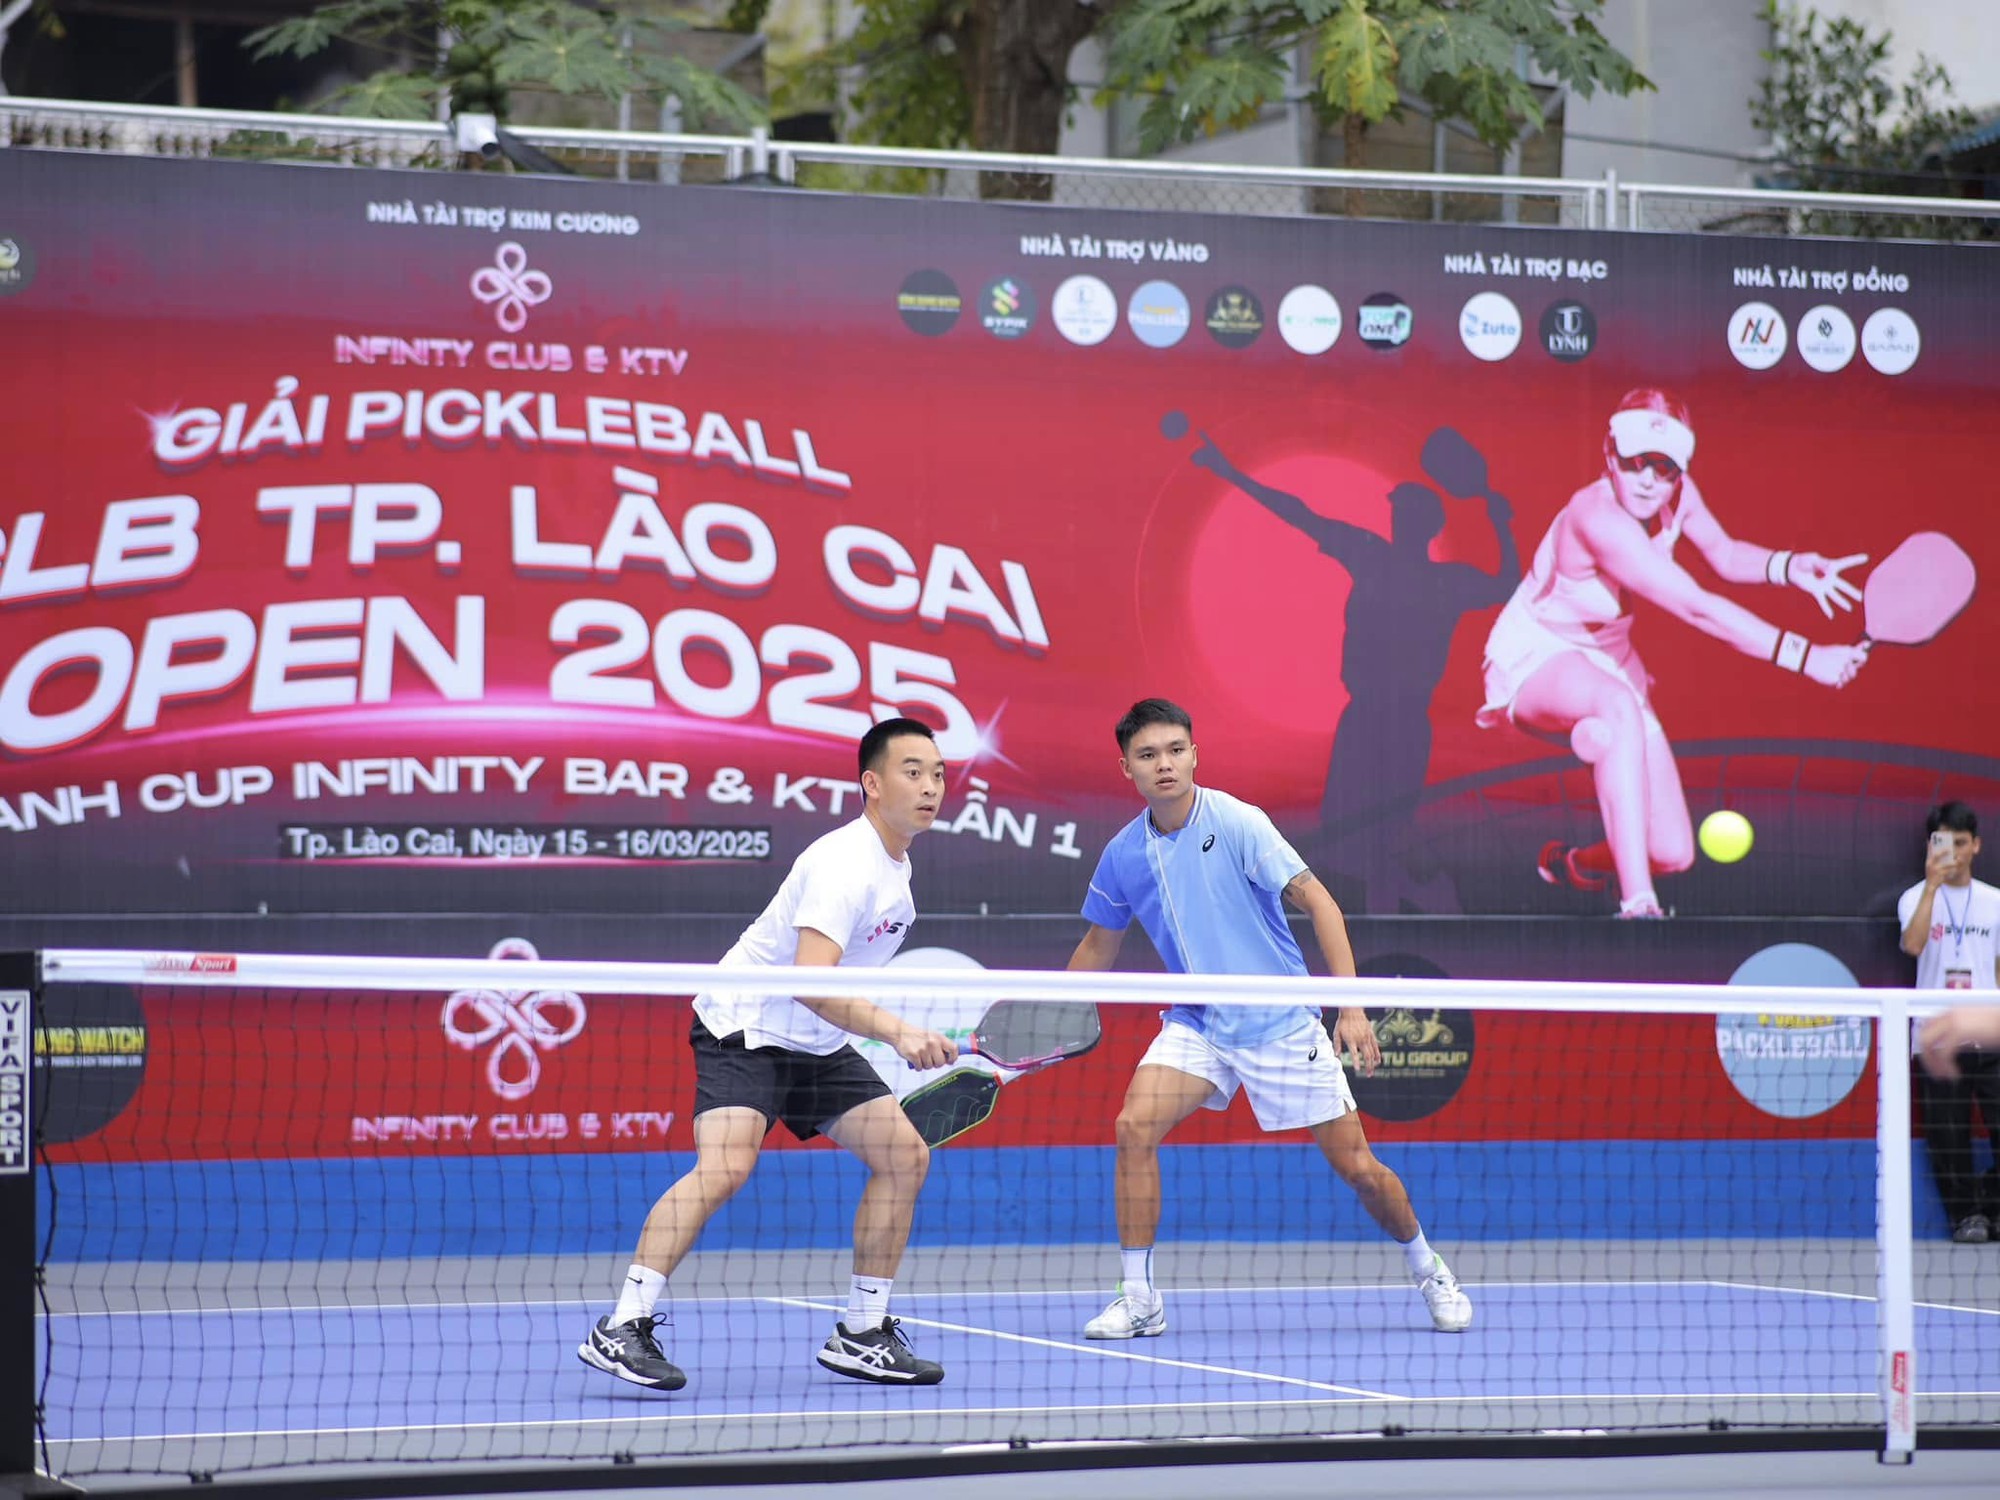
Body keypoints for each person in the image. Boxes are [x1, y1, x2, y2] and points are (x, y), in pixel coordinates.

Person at [1065, 697, 1473, 1337]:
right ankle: (1140, 1299)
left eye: (1175, 750)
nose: (1164, 764)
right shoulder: (1123, 854)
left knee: (1359, 1171)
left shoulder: (1236, 822)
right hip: (1199, 1023)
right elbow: (1098, 944)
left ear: (1195, 753)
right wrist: (1047, 1010)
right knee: (1132, 1127)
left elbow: (1320, 902)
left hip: (1278, 1024)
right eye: (1148, 755)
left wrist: (1351, 1007)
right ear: (1127, 768)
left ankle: (1429, 1269)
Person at [577, 718, 956, 1389]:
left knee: (903, 1157)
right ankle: (621, 1327)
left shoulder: (898, 866)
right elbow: (808, 979)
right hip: (747, 1025)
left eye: (937, 773)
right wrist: (899, 1033)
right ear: (871, 784)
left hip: (815, 1042)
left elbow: (824, 993)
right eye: (912, 771)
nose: (930, 786)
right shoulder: (844, 864)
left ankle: (862, 1333)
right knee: (725, 1167)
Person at [1476, 388, 1870, 917]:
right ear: (1609, 457)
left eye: (1663, 469)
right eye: (1636, 462)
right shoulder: (1595, 517)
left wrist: (1789, 565)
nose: (1648, 480)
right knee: (1613, 706)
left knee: (1673, 852)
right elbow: (1698, 608)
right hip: (1539, 653)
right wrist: (1806, 656)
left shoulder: (1677, 495)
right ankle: (1639, 907)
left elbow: (1726, 555)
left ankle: (1576, 861)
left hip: (1611, 659)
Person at [1190, 429, 1520, 914]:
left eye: (1406, 512)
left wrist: (1501, 524)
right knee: (1350, 833)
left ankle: (1409, 906)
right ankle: (1378, 917)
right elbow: (1300, 514)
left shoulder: (1441, 580)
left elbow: (1508, 586)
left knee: (1388, 832)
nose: (1397, 518)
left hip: (1406, 721)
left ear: (1423, 524)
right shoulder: (1374, 556)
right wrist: (1230, 472)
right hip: (1366, 716)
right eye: (1396, 510)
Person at [1898, 802, 2000, 1244]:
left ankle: (1994, 1209)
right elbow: (1914, 945)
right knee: (1949, 1135)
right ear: (1931, 846)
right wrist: (1932, 888)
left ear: (1976, 845)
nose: (1954, 851)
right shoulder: (1914, 897)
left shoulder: (1995, 901)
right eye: (1944, 843)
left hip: (1988, 1034)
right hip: (1937, 1037)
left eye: (1961, 843)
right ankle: (1966, 1217)